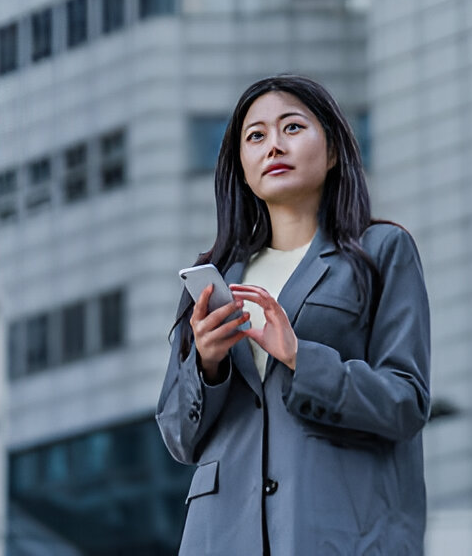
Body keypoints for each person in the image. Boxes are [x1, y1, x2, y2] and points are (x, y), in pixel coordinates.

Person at [156, 74, 431, 555]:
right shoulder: (211, 278)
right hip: (221, 535)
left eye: (293, 128)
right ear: (242, 167)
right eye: (256, 136)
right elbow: (179, 437)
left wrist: (301, 356)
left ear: (331, 153)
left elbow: (406, 401)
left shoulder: (382, 252)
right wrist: (208, 365)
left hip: (337, 528)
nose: (274, 145)